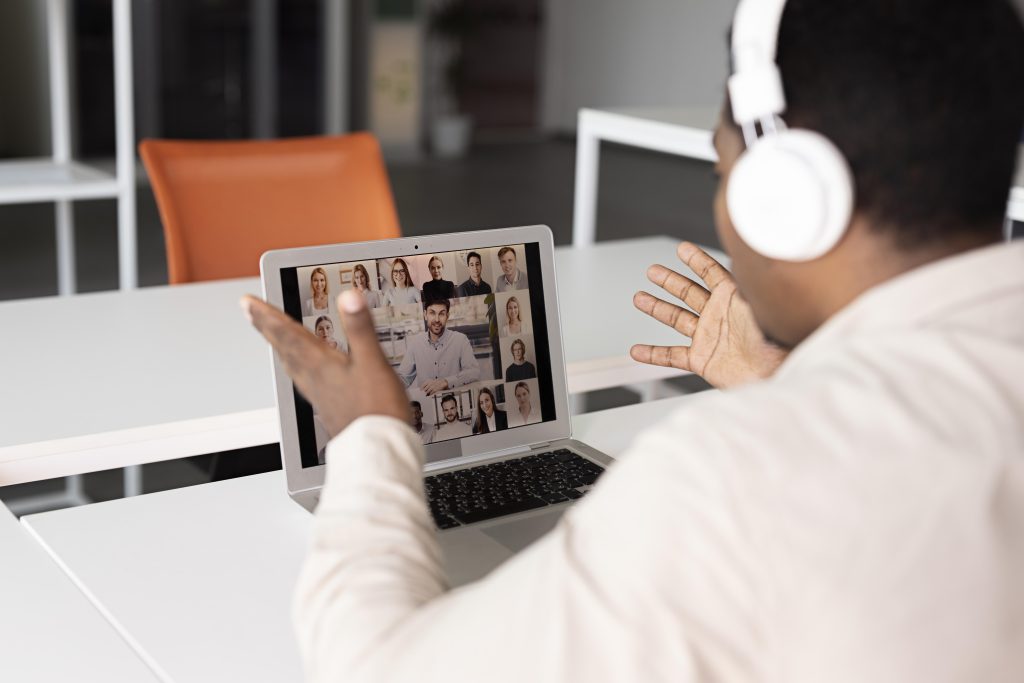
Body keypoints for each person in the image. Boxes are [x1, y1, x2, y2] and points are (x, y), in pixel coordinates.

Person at [241, 0, 1024, 679]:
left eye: (724, 174)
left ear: (786, 197)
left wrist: (372, 432)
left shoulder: (735, 478)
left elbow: (377, 666)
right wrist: (793, 386)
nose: (725, 213)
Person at [396, 298, 479, 395]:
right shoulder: (415, 343)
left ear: (447, 316)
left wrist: (446, 382)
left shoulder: (460, 340)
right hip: (427, 407)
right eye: (432, 313)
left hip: (455, 404)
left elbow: (474, 372)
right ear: (425, 315)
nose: (437, 319)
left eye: (441, 314)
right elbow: (402, 378)